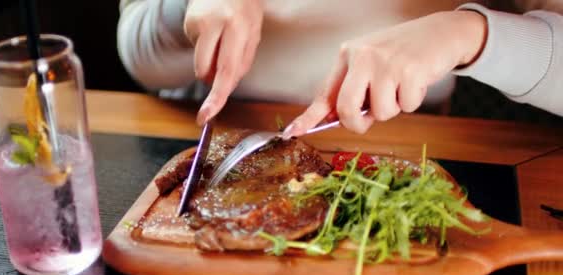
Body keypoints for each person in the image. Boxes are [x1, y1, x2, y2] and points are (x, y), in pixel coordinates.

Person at [117, 0, 563, 137]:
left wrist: (470, 33)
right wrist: (187, 7)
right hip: (207, 139)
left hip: (401, 149)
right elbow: (140, 60)